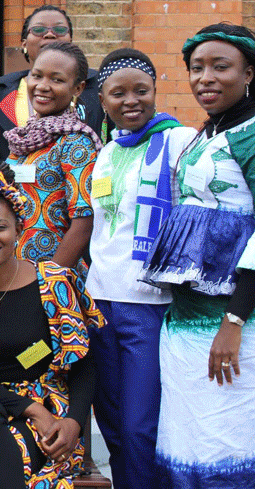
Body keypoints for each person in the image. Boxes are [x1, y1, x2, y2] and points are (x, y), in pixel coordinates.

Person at [142, 23, 255, 488]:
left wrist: (234, 322)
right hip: (185, 319)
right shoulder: (208, 133)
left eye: (220, 67)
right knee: (186, 437)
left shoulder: (250, 135)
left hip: (232, 322)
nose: (205, 77)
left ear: (249, 73)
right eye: (196, 68)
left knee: (228, 439)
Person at [0, 161, 104, 488]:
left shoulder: (54, 284)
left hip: (48, 413)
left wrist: (73, 422)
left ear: (18, 228)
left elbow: (83, 361)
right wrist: (30, 409)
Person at [86, 48, 196, 489]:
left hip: (149, 304)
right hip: (100, 300)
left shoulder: (179, 140)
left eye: (141, 91)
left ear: (155, 91)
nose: (131, 100)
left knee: (139, 425)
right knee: (111, 422)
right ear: (102, 99)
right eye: (118, 93)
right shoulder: (107, 151)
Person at [4, 41, 101, 274]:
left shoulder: (76, 142)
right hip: (12, 274)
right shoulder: (24, 138)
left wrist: (49, 279)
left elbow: (83, 221)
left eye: (56, 80)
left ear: (77, 88)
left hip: (51, 278)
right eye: (36, 76)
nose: (42, 86)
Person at [0, 5, 105, 158]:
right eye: (38, 30)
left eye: (60, 30)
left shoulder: (96, 84)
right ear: (24, 44)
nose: (49, 34)